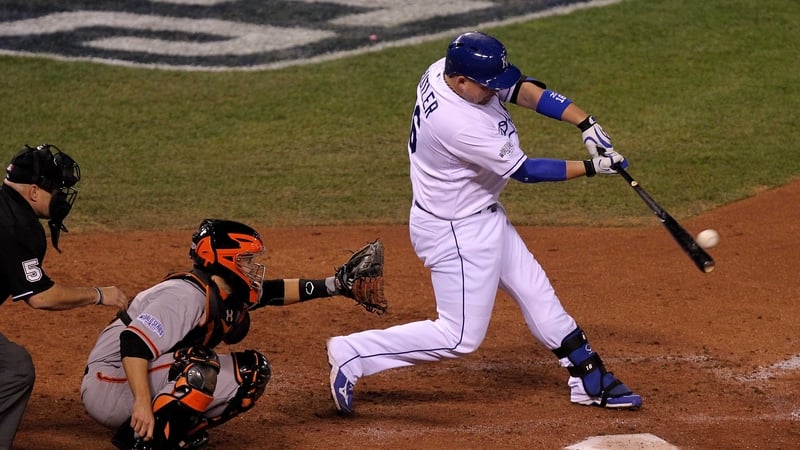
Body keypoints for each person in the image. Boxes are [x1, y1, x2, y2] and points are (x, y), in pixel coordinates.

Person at [326, 31, 642, 414]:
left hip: (480, 212)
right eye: (488, 86)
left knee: (537, 293)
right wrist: (593, 167)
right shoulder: (457, 123)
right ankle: (352, 353)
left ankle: (587, 376)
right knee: (458, 336)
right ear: (461, 81)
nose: (496, 92)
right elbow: (525, 171)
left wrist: (584, 122)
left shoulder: (444, 70)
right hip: (455, 231)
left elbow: (520, 89)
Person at [81, 218, 381, 449]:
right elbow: (133, 343)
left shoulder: (223, 290)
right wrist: (143, 404)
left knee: (251, 371)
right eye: (246, 261)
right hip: (110, 383)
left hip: (138, 374)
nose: (254, 267)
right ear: (224, 260)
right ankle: (144, 440)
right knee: (199, 367)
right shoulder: (184, 295)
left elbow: (273, 291)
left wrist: (334, 285)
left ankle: (179, 432)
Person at [0, 144, 129, 449]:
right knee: (15, 369)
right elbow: (41, 296)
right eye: (56, 188)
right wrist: (99, 295)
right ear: (33, 191)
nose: (60, 196)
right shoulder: (18, 225)